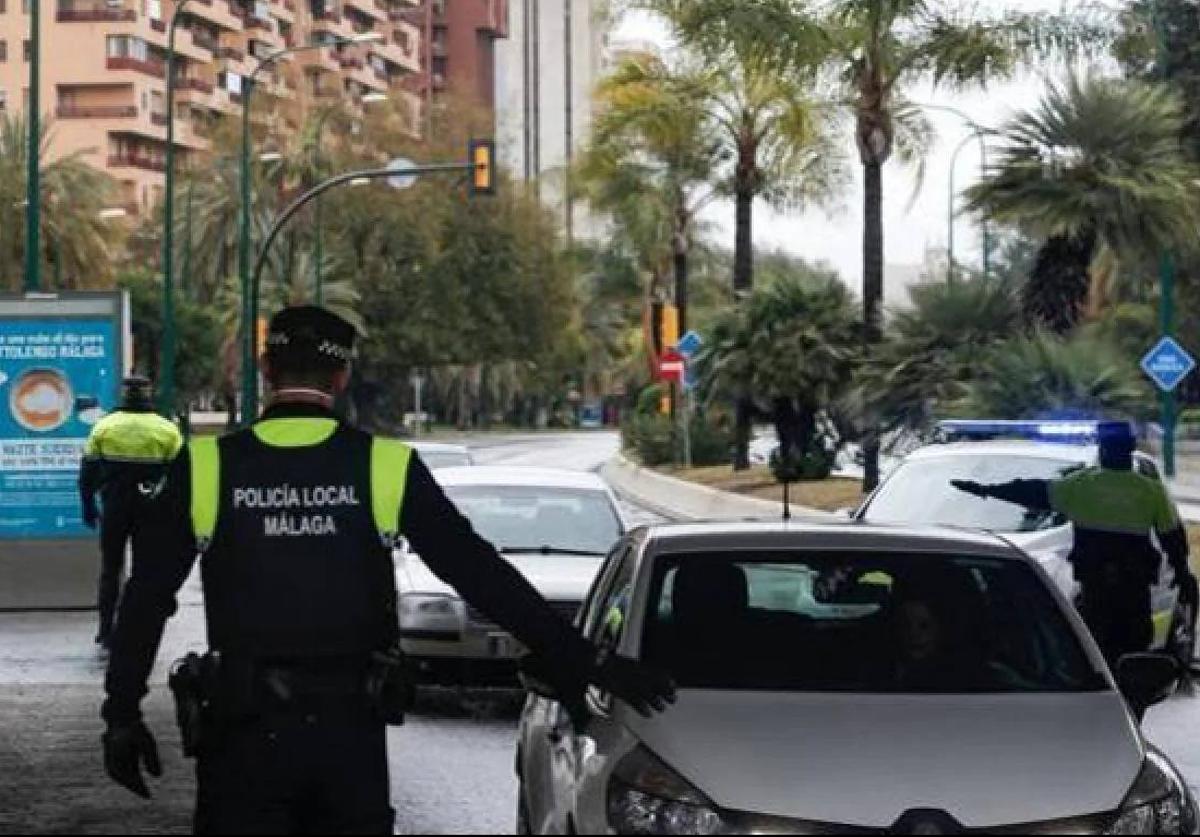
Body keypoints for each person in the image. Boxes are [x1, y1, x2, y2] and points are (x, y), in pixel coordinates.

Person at [100, 306, 675, 835]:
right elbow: (479, 575)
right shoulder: (384, 465)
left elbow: (147, 598)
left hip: (240, 740)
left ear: (266, 368)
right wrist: (587, 660)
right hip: (347, 740)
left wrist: (122, 712)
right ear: (342, 379)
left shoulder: (204, 465)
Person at [953, 421, 1195, 665]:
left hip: (1095, 592)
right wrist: (1183, 574)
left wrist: (988, 490)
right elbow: (1172, 538)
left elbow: (1032, 490)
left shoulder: (1080, 485)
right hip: (1133, 594)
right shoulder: (1150, 491)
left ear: (1102, 450)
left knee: (1093, 653)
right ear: (1130, 449)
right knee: (1133, 654)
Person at [79, 376, 183, 648]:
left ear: (123, 396)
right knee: (144, 571)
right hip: (153, 511)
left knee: (110, 569)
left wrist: (88, 506)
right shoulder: (167, 430)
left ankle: (105, 630)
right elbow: (181, 477)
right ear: (150, 396)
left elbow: (87, 472)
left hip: (114, 509)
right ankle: (138, 630)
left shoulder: (104, 427)